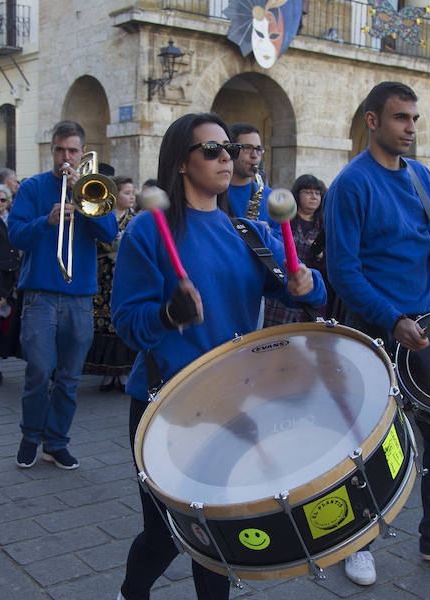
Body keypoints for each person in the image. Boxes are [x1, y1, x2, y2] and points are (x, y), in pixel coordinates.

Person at [111, 111, 325, 600]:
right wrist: (168, 314)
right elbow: (126, 322)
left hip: (233, 403)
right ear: (182, 163)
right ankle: (131, 593)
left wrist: (307, 283)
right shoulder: (149, 230)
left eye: (228, 147)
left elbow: (306, 291)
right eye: (211, 149)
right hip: (167, 405)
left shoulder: (246, 232)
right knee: (167, 534)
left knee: (222, 534)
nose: (226, 157)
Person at [324, 82, 430, 587]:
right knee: (370, 445)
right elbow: (343, 270)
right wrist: (392, 315)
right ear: (372, 120)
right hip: (375, 328)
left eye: (414, 119)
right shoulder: (351, 184)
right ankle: (357, 544)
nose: (410, 129)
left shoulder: (420, 176)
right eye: (400, 118)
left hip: (425, 326)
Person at [7, 120, 118, 471]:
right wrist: (46, 221)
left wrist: (83, 195)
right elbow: (15, 236)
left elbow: (109, 233)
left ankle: (56, 442)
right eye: (59, 150)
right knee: (39, 371)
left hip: (80, 296)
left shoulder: (92, 187)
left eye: (72, 150)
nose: (65, 157)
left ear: (82, 153)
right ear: (51, 151)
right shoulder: (33, 188)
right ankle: (30, 437)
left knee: (70, 376)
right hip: (40, 294)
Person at [83, 175, 137, 392]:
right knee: (102, 322)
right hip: (101, 276)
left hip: (121, 276)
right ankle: (106, 372)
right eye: (127, 192)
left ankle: (123, 372)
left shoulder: (134, 219)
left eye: (133, 193)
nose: (132, 197)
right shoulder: (101, 216)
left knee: (119, 321)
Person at [263, 173, 331, 325]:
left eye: (317, 193)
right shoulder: (282, 223)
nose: (313, 197)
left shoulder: (324, 227)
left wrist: (321, 256)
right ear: (296, 194)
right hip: (280, 298)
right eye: (308, 192)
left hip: (308, 300)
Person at [227, 123, 271, 221]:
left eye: (258, 149)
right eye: (247, 148)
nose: (254, 155)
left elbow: (283, 235)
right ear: (232, 150)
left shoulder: (270, 196)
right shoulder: (213, 193)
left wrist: (267, 232)